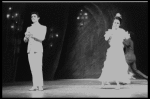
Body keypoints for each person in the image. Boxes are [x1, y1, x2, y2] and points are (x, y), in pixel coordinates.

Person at [98, 13, 132, 89]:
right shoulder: (111, 31)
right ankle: (103, 83)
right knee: (108, 66)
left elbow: (127, 37)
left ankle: (118, 84)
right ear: (113, 23)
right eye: (115, 22)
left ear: (119, 24)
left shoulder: (121, 31)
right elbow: (106, 38)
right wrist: (111, 33)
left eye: (117, 23)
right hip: (112, 51)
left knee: (117, 67)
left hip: (119, 52)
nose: (116, 24)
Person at [24, 12, 47, 91]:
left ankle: (40, 85)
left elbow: (42, 38)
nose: (33, 17)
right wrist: (26, 37)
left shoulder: (43, 27)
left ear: (38, 18)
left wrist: (32, 35)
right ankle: (35, 85)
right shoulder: (29, 28)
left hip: (38, 49)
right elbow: (25, 40)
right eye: (32, 16)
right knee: (32, 68)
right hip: (30, 50)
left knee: (38, 67)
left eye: (34, 16)